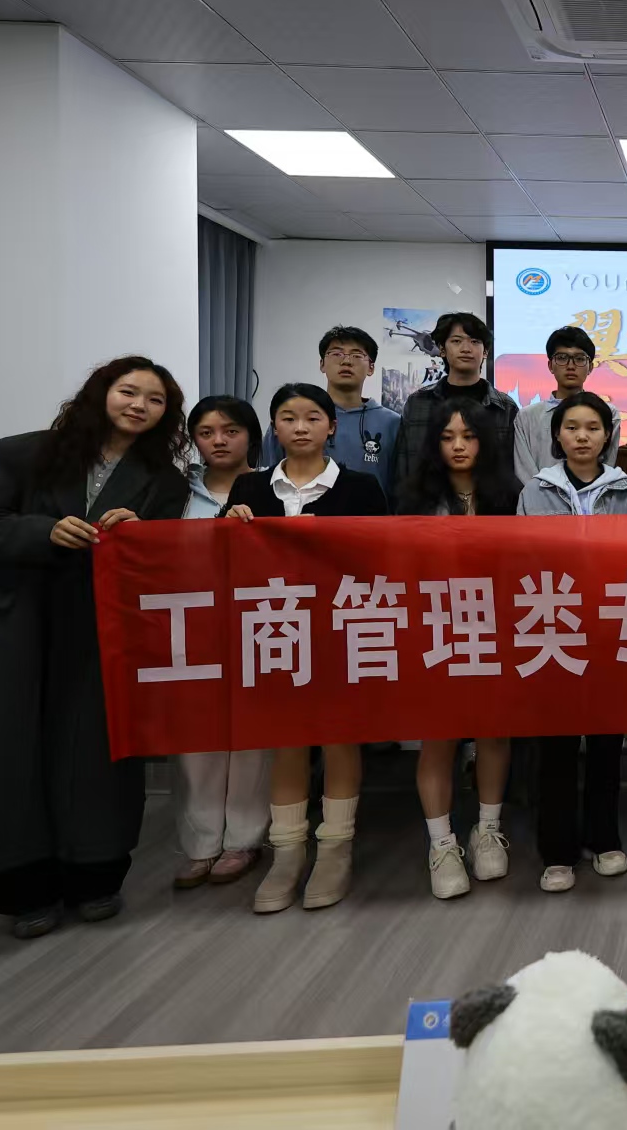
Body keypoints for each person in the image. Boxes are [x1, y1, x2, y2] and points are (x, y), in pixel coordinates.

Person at [0, 356, 191, 939]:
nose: (139, 406)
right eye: (129, 391)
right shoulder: (21, 453)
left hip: (103, 630)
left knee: (96, 755)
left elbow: (162, 561)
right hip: (17, 624)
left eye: (155, 401)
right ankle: (27, 891)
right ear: (101, 392)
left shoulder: (166, 480)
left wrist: (139, 538)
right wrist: (43, 530)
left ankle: (96, 879)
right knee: (12, 753)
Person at [225, 383, 390, 914]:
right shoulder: (249, 487)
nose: (300, 427)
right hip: (273, 630)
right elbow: (224, 564)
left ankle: (335, 849)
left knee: (340, 738)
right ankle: (287, 853)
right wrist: (227, 529)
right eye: (289, 418)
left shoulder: (361, 487)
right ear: (274, 428)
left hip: (340, 628)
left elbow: (380, 560)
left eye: (312, 417)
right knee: (287, 740)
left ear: (330, 427)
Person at [397, 397, 524, 900]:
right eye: (448, 437)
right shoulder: (413, 499)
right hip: (433, 631)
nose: (458, 446)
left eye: (468, 437)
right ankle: (442, 843)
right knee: (439, 739)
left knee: (493, 733)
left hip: (496, 629)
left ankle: (487, 830)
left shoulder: (509, 496)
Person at [518, 393, 627, 893]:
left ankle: (604, 838)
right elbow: (524, 558)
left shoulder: (626, 490)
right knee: (558, 747)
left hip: (609, 628)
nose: (582, 436)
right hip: (555, 628)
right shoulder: (536, 490)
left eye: (593, 427)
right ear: (557, 435)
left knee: (607, 744)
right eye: (572, 427)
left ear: (607, 435)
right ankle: (558, 852)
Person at [174, 395, 272, 891]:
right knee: (197, 737)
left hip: (259, 623)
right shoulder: (174, 491)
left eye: (231, 431)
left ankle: (244, 840)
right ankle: (201, 844)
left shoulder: (271, 485)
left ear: (250, 436)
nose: (218, 441)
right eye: (206, 432)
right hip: (189, 624)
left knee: (253, 735)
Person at [392, 312, 517, 508]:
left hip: (490, 511)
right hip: (426, 509)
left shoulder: (505, 407)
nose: (466, 349)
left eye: (475, 342)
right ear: (442, 349)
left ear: (485, 351)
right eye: (457, 341)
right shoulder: (418, 402)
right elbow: (403, 464)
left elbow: (510, 469)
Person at [261, 326, 402, 500]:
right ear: (322, 364)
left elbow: (402, 484)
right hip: (302, 514)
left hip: (372, 515)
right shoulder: (294, 419)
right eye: (336, 354)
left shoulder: (392, 422)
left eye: (357, 355)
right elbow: (268, 476)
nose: (346, 361)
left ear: (371, 367)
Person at [514, 325, 619, 481]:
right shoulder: (527, 417)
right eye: (562, 358)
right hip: (539, 496)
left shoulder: (609, 413)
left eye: (579, 359)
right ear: (550, 365)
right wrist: (541, 493)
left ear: (590, 367)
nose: (570, 366)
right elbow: (524, 470)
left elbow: (607, 465)